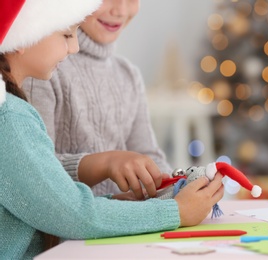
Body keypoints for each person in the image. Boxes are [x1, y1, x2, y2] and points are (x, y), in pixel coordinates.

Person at [0, 0, 225, 258]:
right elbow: (69, 210)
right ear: (23, 35)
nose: (74, 47)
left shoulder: (126, 75)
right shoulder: (14, 112)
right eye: (66, 34)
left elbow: (55, 199)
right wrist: (175, 212)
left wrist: (173, 191)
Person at [22, 0, 172, 199]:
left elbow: (148, 155)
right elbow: (33, 173)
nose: (120, 10)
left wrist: (178, 186)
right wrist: (104, 164)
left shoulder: (128, 75)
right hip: (72, 225)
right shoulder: (42, 70)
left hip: (126, 224)